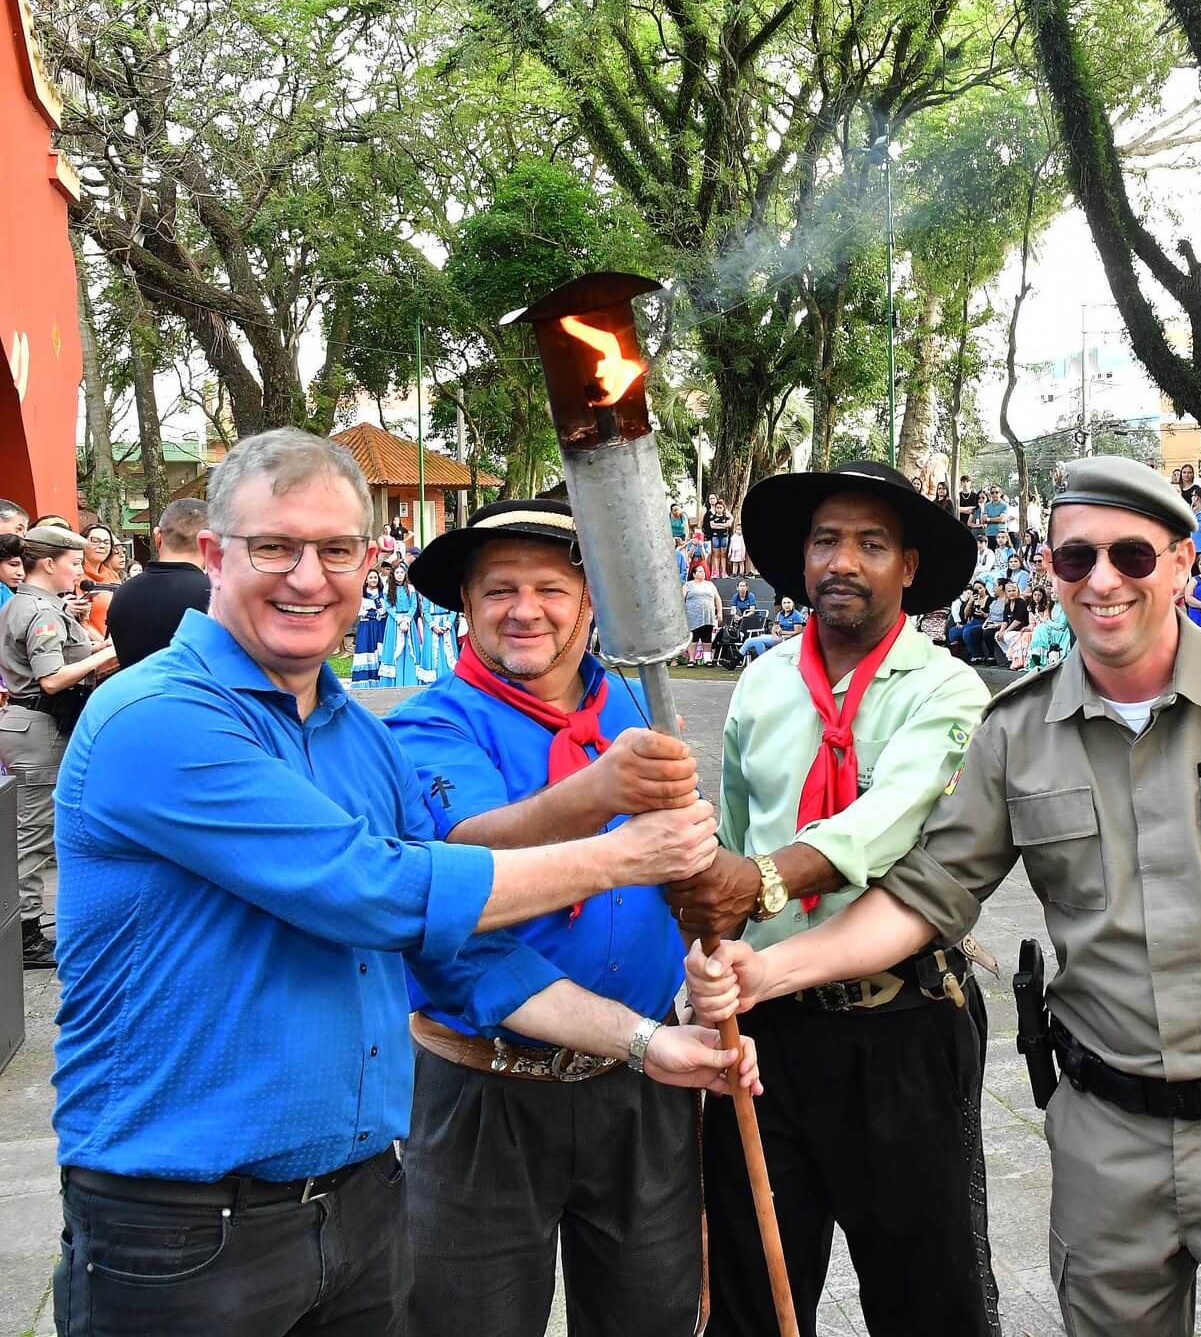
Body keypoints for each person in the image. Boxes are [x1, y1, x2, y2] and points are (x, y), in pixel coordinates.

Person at [688, 455, 1201, 1337]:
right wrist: (767, 973)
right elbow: (923, 898)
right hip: (1105, 1139)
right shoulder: (1017, 732)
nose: (1102, 581)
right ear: (1050, 570)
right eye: (1075, 558)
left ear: (1182, 562)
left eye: (1131, 556)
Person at [50, 429, 751, 1337]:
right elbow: (373, 890)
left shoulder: (358, 740)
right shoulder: (157, 717)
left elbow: (460, 952)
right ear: (214, 556)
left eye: (337, 550)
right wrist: (622, 852)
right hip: (186, 1229)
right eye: (276, 547)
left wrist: (647, 1043)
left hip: (356, 1205)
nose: (309, 578)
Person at [377, 497, 741, 1335]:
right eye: (499, 590)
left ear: (589, 603)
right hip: (484, 1088)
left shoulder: (636, 708)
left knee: (652, 1317)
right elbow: (468, 850)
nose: (525, 610)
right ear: (465, 603)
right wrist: (599, 794)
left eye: (550, 588)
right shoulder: (428, 726)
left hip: (643, 1082)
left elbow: (684, 868)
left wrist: (711, 932)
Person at [656, 458, 994, 1337]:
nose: (843, 561)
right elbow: (733, 840)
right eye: (825, 541)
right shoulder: (763, 682)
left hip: (902, 1028)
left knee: (928, 1301)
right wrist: (708, 927)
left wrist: (760, 879)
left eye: (871, 544)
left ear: (908, 567)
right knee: (753, 1292)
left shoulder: (949, 690)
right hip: (766, 1030)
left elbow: (888, 820)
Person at [1, 525, 120, 969]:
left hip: (34, 724)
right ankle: (25, 933)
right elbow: (51, 679)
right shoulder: (40, 611)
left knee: (35, 829)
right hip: (40, 726)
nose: (77, 572)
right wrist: (105, 655)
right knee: (32, 833)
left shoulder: (32, 604)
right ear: (49, 564)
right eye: (73, 563)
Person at [104, 498, 211, 668]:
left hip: (131, 684)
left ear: (158, 536)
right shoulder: (216, 597)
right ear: (209, 543)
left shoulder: (122, 594)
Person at [376, 561, 427, 686]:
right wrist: (399, 620)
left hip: (409, 622)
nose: (400, 574)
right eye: (397, 572)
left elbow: (414, 605)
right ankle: (394, 681)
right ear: (393, 574)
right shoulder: (388, 589)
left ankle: (410, 680)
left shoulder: (410, 588)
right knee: (394, 649)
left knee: (410, 649)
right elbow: (388, 606)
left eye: (402, 572)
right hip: (394, 622)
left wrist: (407, 620)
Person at [350, 565, 388, 684]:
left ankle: (380, 680)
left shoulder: (383, 594)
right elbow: (358, 611)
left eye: (375, 577)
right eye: (371, 577)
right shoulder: (361, 595)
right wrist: (370, 613)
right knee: (366, 648)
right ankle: (365, 680)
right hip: (366, 626)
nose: (373, 580)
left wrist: (377, 606)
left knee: (380, 649)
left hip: (379, 626)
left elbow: (384, 610)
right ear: (366, 580)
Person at [744, 595, 808, 662]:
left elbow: (798, 632)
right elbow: (774, 628)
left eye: (788, 602)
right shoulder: (779, 614)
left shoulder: (796, 615)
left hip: (787, 638)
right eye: (784, 603)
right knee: (756, 642)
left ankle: (740, 657)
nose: (786, 605)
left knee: (751, 641)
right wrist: (774, 635)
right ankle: (767, 661)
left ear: (793, 603)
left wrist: (782, 632)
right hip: (777, 637)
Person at [683, 561, 723, 666]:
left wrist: (719, 612)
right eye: (700, 571)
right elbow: (682, 599)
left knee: (707, 638)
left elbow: (717, 598)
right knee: (693, 638)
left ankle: (707, 659)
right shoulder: (688, 585)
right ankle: (692, 659)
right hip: (692, 616)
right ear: (694, 574)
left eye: (703, 571)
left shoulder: (710, 584)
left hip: (708, 616)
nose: (703, 573)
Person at [702, 494, 735, 579]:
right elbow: (712, 525)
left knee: (723, 554)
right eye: (710, 498)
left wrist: (721, 525)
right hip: (713, 535)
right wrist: (723, 525)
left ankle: (723, 572)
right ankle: (715, 572)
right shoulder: (710, 514)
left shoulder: (725, 514)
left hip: (724, 536)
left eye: (713, 498)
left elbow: (729, 523)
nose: (712, 500)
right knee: (714, 554)